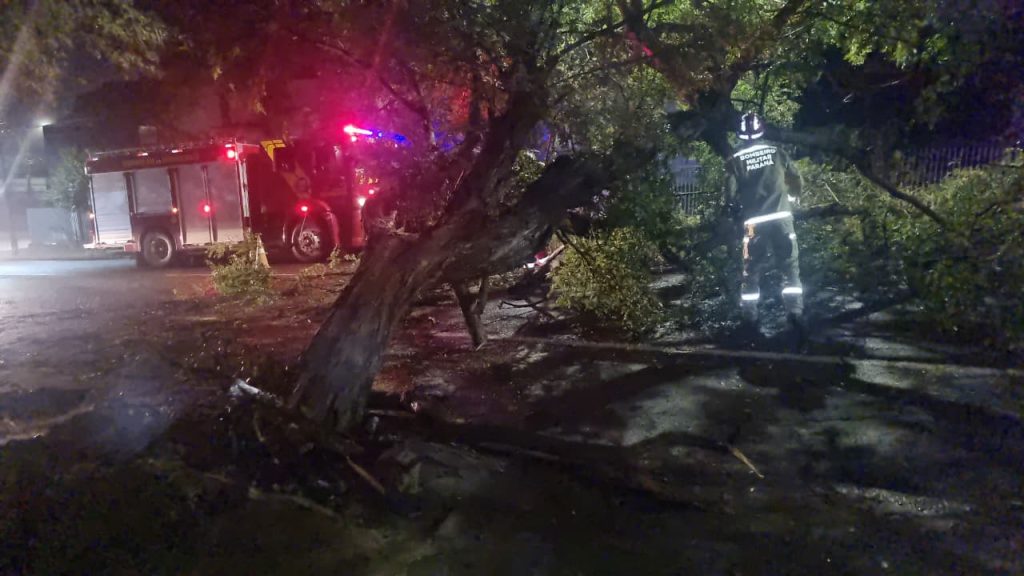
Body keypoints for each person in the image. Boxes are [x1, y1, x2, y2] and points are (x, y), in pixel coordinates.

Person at [724, 112, 806, 342]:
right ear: (762, 131)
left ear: (740, 134)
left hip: (754, 223)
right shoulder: (777, 152)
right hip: (782, 218)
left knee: (751, 270)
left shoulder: (734, 160)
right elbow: (796, 179)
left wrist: (733, 211)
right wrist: (793, 199)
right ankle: (795, 313)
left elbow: (730, 195)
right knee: (790, 267)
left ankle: (750, 318)